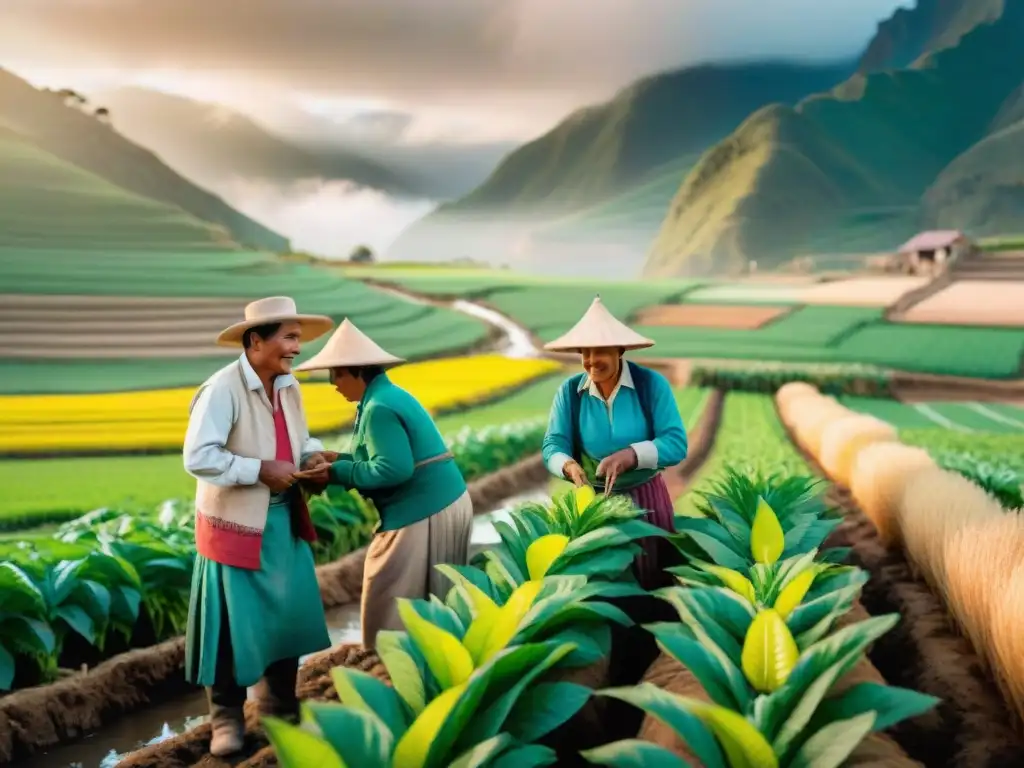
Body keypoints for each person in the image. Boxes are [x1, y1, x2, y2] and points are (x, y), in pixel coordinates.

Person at [182, 296, 335, 757]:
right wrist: (258, 469)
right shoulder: (220, 390)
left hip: (283, 517)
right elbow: (199, 457)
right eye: (289, 338)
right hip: (234, 523)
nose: (296, 348)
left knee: (286, 618)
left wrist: (310, 455)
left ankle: (280, 708)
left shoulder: (288, 385)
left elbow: (300, 435)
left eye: (297, 338)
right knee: (229, 626)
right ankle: (225, 717)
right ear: (255, 341)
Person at [295, 318, 473, 649]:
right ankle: (418, 667)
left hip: (424, 508)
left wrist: (334, 473)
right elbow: (381, 459)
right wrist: (339, 459)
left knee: (388, 592)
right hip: (438, 502)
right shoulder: (384, 397)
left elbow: (393, 469)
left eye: (337, 374)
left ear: (357, 370)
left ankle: (391, 667)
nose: (333, 383)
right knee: (428, 601)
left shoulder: (378, 408)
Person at [541, 295, 688, 590]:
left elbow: (676, 443)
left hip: (644, 501)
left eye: (601, 351)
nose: (592, 360)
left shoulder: (650, 385)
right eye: (586, 351)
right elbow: (553, 445)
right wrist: (568, 466)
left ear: (620, 350)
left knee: (650, 582)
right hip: (595, 503)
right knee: (603, 586)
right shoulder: (570, 393)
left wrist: (630, 456)